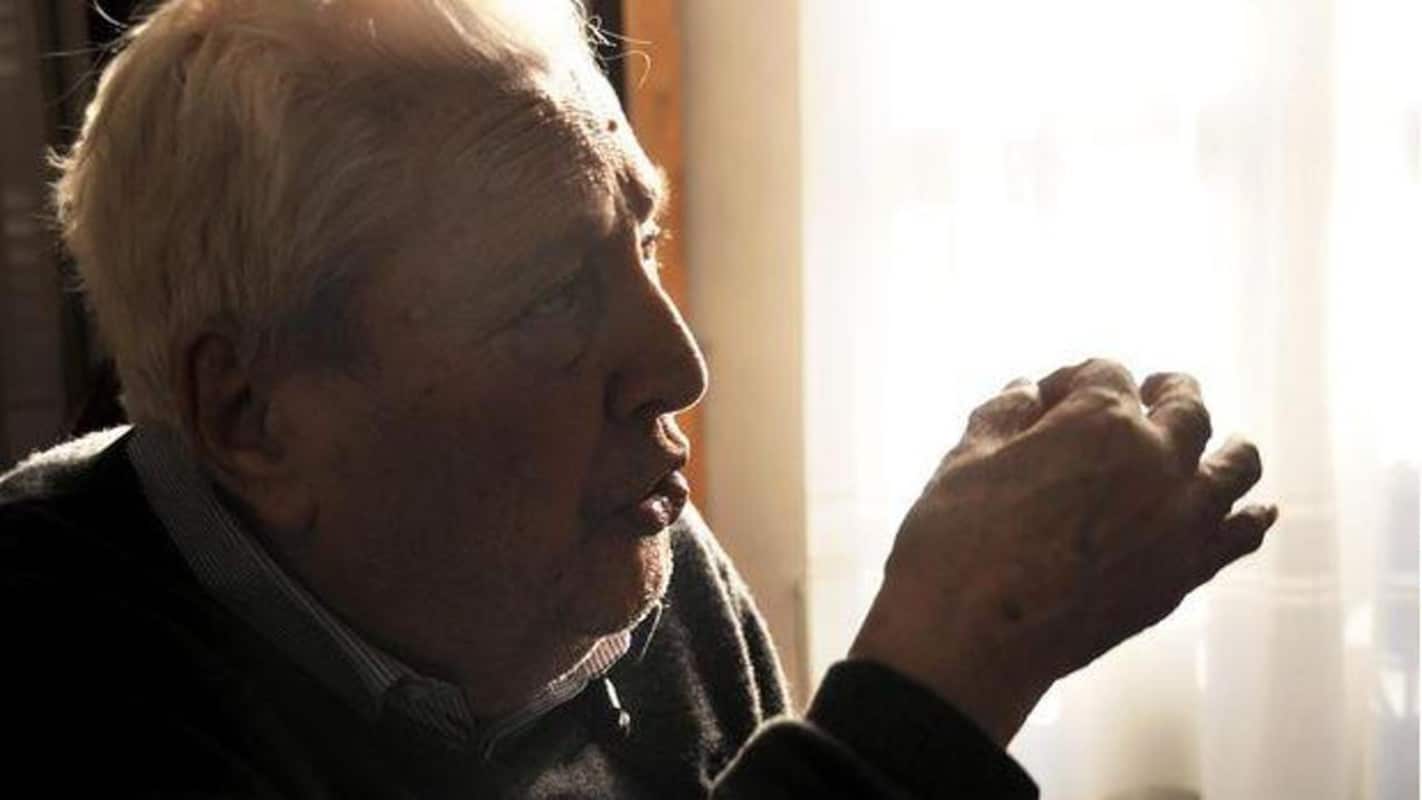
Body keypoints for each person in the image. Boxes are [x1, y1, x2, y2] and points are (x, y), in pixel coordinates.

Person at [0, 1, 1277, 796]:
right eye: (552, 293)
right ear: (254, 415)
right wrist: (940, 676)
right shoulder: (59, 669)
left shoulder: (629, 567)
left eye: (643, 240)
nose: (678, 367)